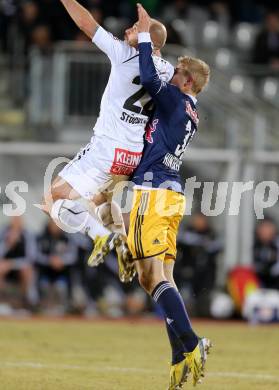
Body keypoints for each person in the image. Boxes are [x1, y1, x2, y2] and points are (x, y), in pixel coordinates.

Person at [97, 4, 212, 388]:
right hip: (171, 194)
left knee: (149, 275)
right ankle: (179, 356)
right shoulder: (191, 111)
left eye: (178, 73)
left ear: (189, 82)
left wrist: (145, 37)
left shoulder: (177, 100)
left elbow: (148, 75)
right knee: (160, 278)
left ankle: (193, 343)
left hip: (153, 193)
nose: (172, 74)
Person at [42, 0, 174, 282]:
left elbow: (86, 24)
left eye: (134, 28)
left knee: (53, 198)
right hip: (133, 154)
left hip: (107, 148)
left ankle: (102, 237)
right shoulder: (169, 72)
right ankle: (122, 241)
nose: (127, 29)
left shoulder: (125, 54)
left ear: (146, 38)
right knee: (100, 200)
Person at [0, 216, 38, 308]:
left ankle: (27, 303)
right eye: (14, 220)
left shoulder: (28, 235)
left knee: (28, 271)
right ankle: (2, 301)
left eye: (18, 220)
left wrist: (12, 263)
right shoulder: (3, 233)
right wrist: (8, 244)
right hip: (5, 266)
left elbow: (31, 258)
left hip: (20, 266)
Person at [254, 219, 279, 290]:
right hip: (260, 284)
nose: (264, 231)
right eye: (262, 228)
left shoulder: (276, 245)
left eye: (267, 228)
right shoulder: (255, 245)